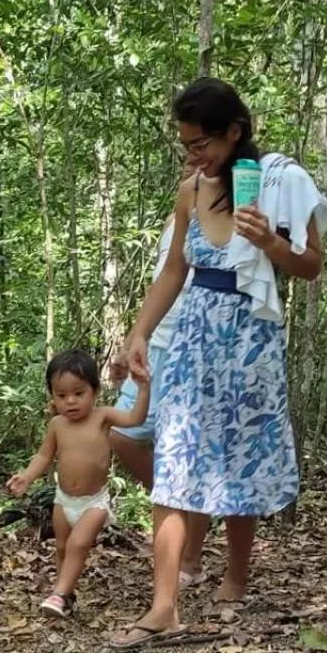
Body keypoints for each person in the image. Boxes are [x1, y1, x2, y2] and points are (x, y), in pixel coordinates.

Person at [110, 78, 327, 648]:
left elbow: (311, 267)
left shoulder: (278, 184)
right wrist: (140, 332)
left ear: (234, 131)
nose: (196, 155)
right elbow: (173, 271)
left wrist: (271, 245)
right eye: (186, 145)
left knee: (243, 458)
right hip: (191, 339)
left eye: (202, 143)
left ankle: (236, 578)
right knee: (175, 466)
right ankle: (164, 607)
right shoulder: (190, 192)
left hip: (250, 343)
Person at [7, 348, 150, 619]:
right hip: (64, 499)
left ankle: (58, 594)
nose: (70, 401)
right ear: (52, 396)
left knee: (78, 544)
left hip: (93, 502)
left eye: (78, 393)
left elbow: (135, 419)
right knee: (61, 547)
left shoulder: (103, 417)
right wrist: (26, 476)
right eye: (61, 395)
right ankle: (66, 596)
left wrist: (142, 387)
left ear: (94, 391)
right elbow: (44, 455)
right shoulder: (58, 425)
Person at [109, 204, 207, 588]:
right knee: (122, 434)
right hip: (157, 345)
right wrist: (136, 337)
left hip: (195, 347)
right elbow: (163, 279)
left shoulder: (231, 211)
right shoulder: (178, 214)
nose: (191, 164)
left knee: (190, 459)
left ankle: (191, 559)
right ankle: (175, 515)